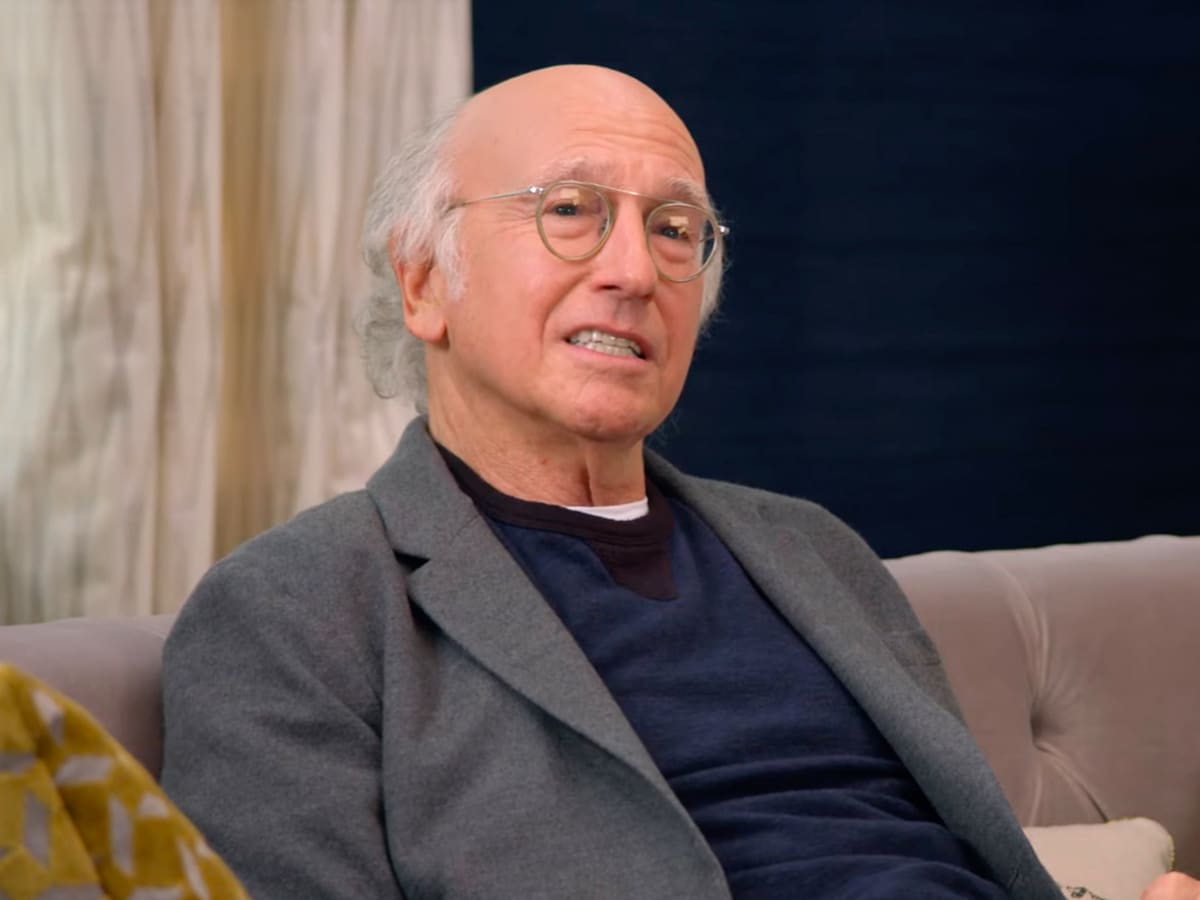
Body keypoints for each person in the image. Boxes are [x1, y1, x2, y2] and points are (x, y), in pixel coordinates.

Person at [160, 65, 1198, 900]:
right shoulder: (297, 609)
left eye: (672, 229)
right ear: (424, 282)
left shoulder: (812, 550)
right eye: (571, 209)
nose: (634, 270)